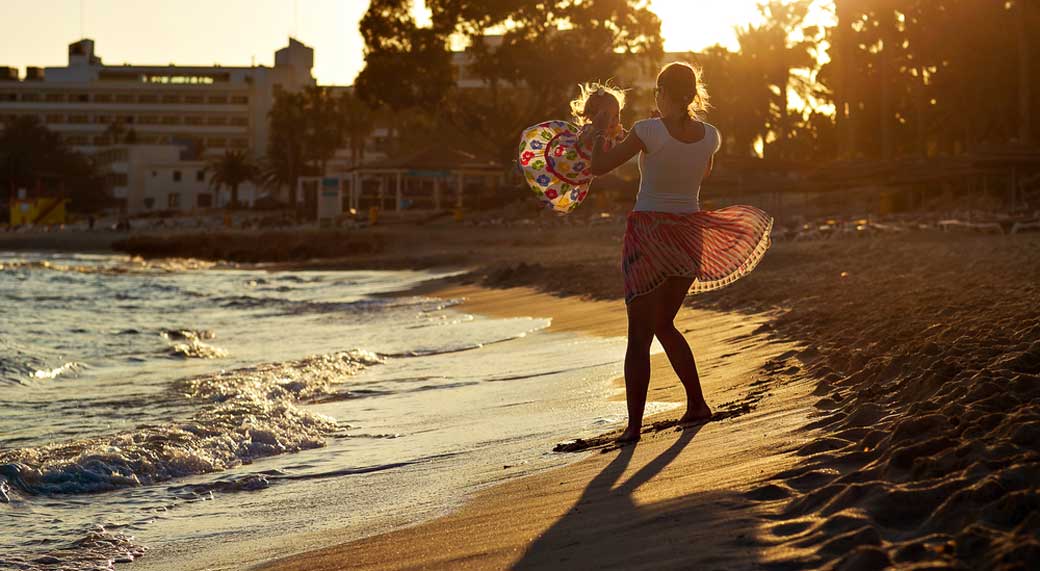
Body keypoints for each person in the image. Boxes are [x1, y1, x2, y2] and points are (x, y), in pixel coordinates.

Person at [587, 62, 773, 444]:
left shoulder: (647, 130)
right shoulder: (711, 136)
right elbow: (700, 175)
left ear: (663, 93)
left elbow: (600, 166)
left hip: (651, 235)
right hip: (689, 235)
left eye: (657, 92)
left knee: (639, 335)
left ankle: (635, 428)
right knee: (663, 324)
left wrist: (595, 134)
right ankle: (696, 404)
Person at [518, 83, 628, 214]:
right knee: (551, 175)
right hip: (568, 162)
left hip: (581, 175)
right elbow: (584, 141)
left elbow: (631, 137)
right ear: (592, 117)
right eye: (607, 116)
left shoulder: (616, 133)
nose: (614, 120)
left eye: (617, 115)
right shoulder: (589, 130)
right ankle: (530, 181)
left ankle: (546, 200)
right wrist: (598, 132)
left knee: (563, 188)